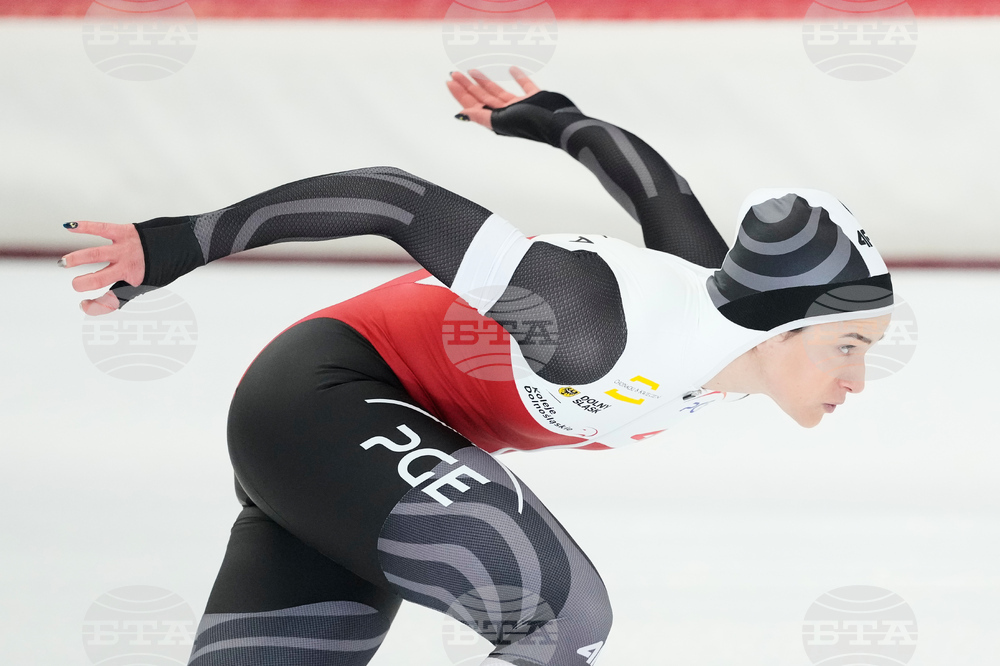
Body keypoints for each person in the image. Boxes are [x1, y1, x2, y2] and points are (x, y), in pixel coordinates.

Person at [59, 68, 894, 666]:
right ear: (777, 328)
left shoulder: (715, 292)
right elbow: (394, 196)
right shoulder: (589, 322)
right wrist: (176, 243)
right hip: (326, 396)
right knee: (563, 620)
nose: (857, 381)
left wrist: (547, 115)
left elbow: (649, 181)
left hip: (349, 453)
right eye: (847, 347)